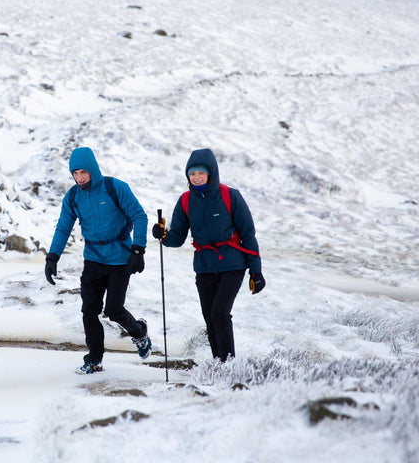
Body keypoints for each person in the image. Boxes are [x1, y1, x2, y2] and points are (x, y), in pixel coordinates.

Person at [44, 147, 152, 374]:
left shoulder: (115, 188)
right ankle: (94, 359)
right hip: (93, 259)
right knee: (89, 311)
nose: (80, 177)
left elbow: (139, 216)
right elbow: (64, 227)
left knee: (113, 310)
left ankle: (140, 332)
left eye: (84, 172)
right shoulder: (73, 196)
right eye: (75, 173)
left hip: (120, 259)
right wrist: (53, 256)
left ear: (92, 169)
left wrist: (138, 250)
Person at [152, 148, 265, 362]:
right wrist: (162, 235)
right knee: (209, 318)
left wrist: (256, 271)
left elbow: (248, 234)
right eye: (192, 174)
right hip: (204, 267)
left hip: (232, 264)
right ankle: (218, 363)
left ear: (210, 173)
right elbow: (176, 237)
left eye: (200, 173)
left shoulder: (230, 195)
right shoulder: (185, 201)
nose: (195, 178)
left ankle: (229, 363)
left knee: (220, 313)